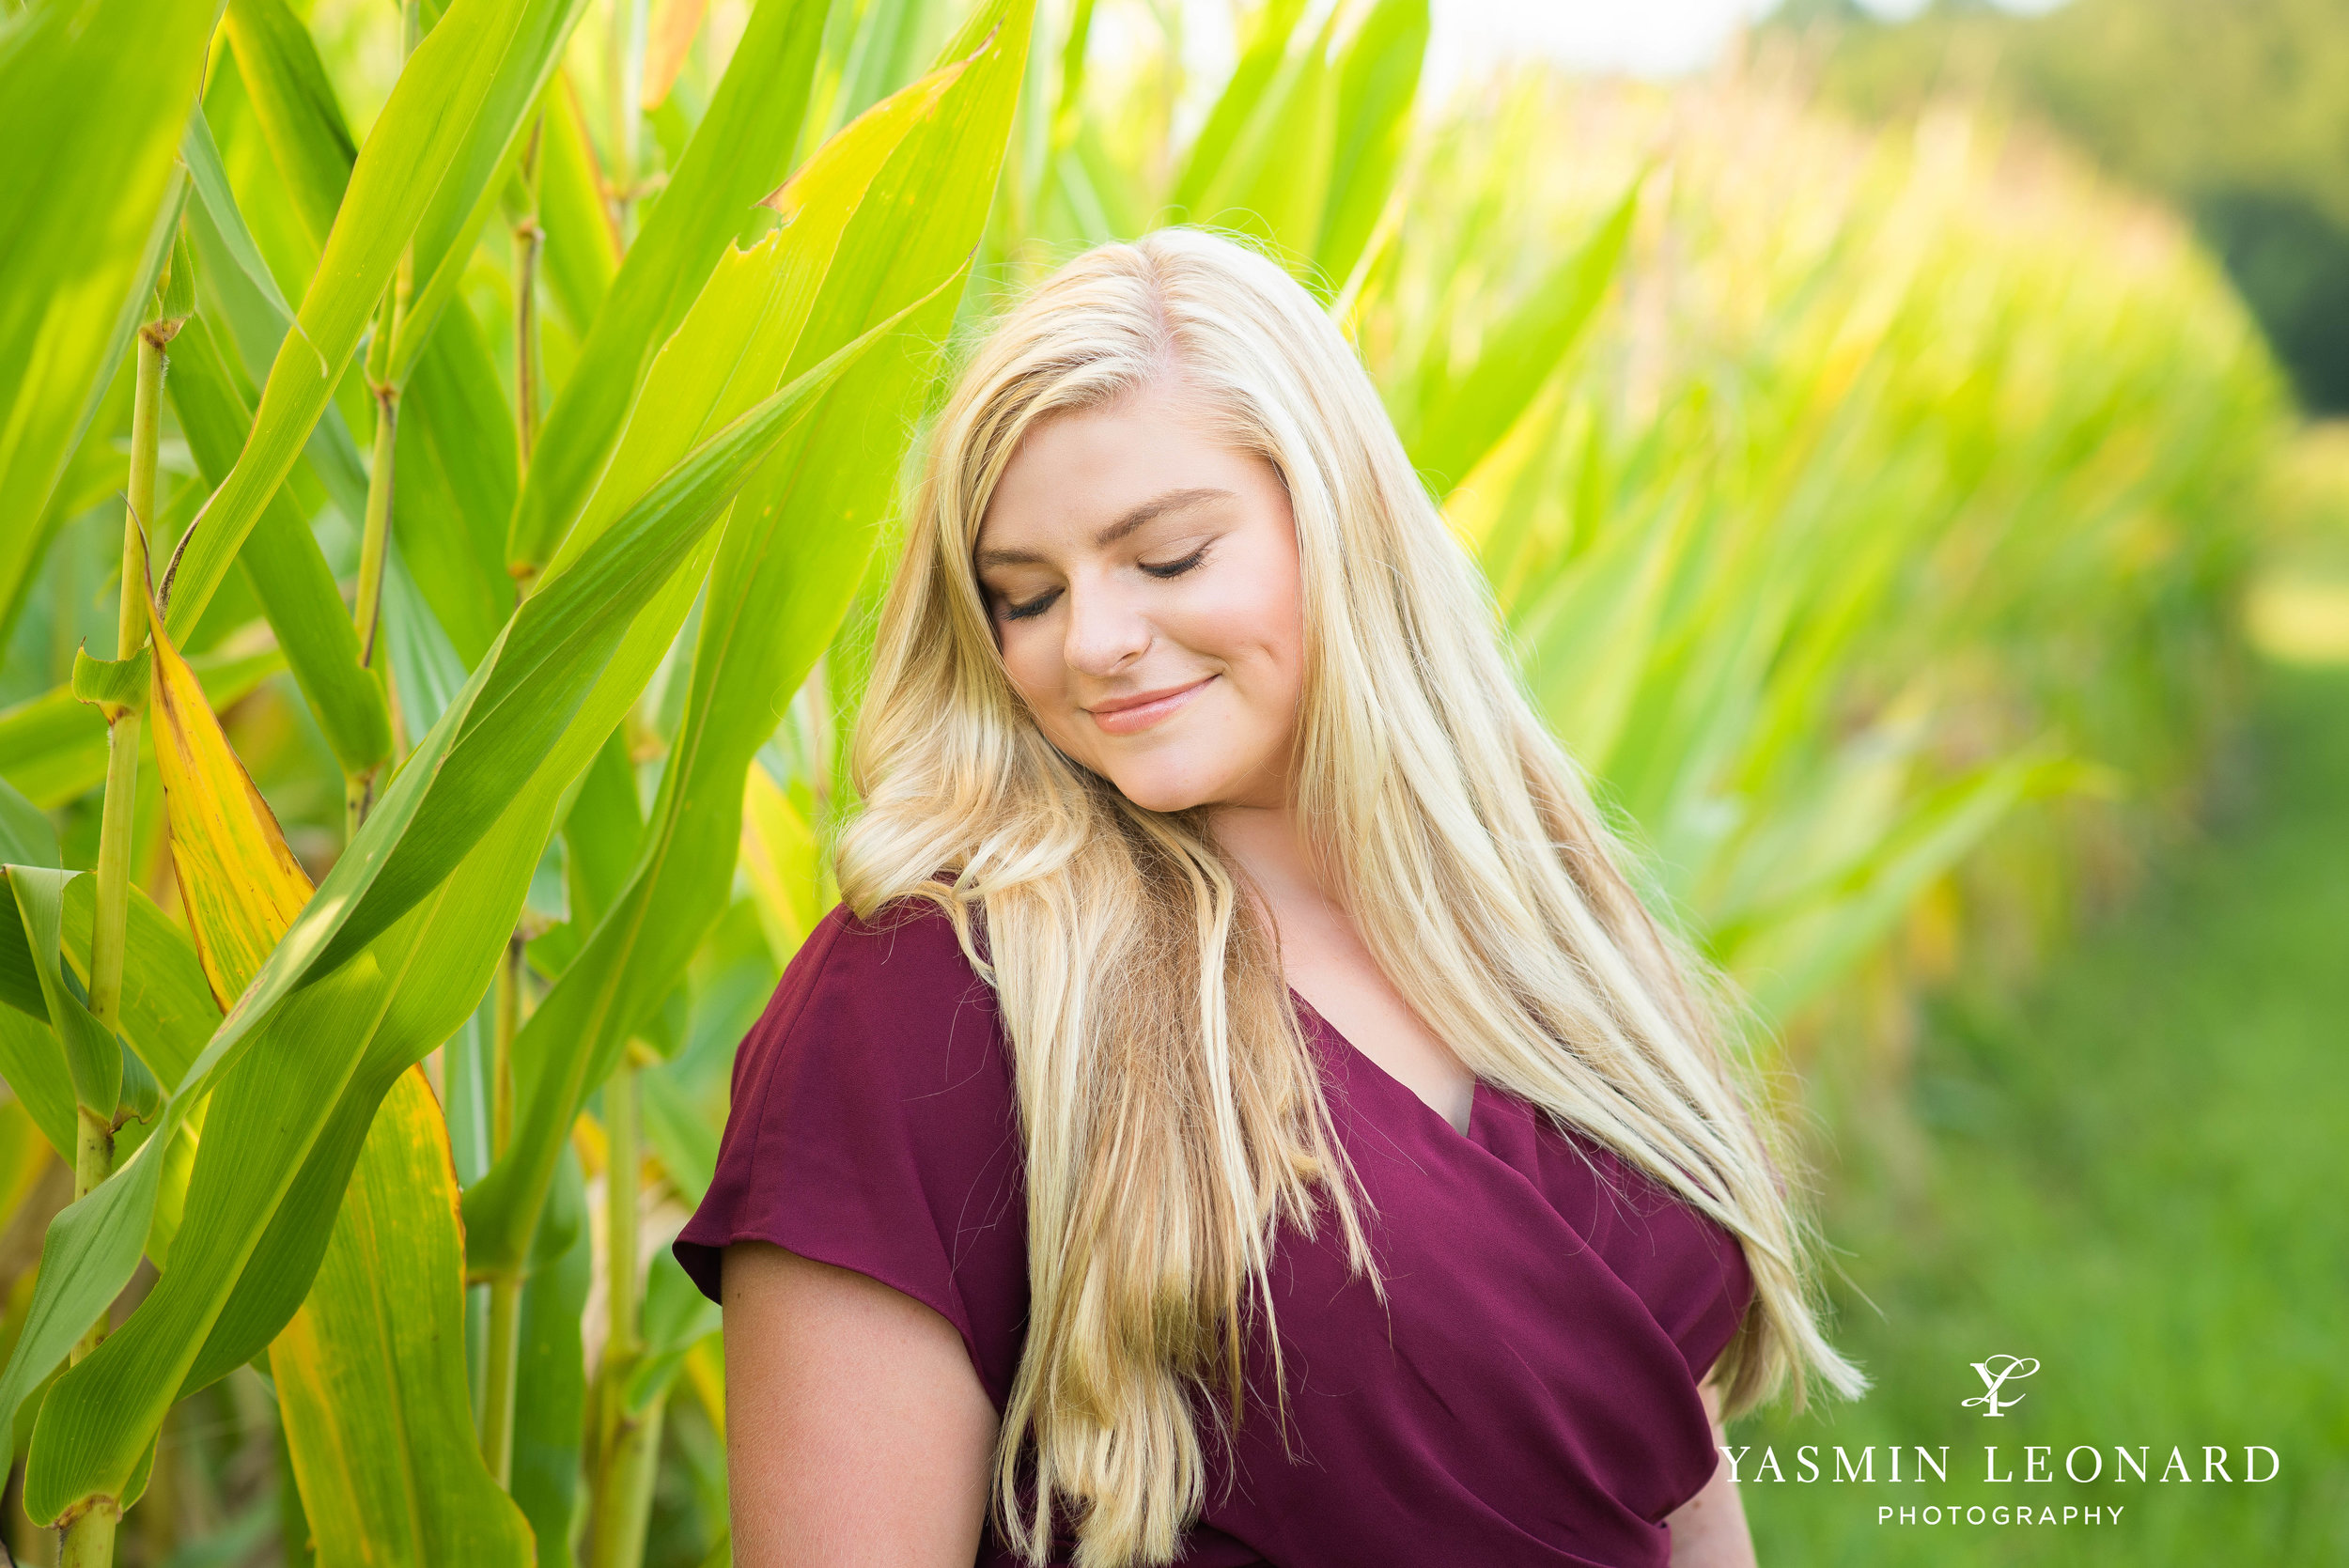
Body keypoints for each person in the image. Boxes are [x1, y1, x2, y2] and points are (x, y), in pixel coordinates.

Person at [674, 227, 1866, 1568]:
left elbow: (1665, 1470)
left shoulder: (1555, 930)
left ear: (1339, 524)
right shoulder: (929, 996)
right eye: (1025, 596)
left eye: (1168, 557)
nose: (1095, 641)